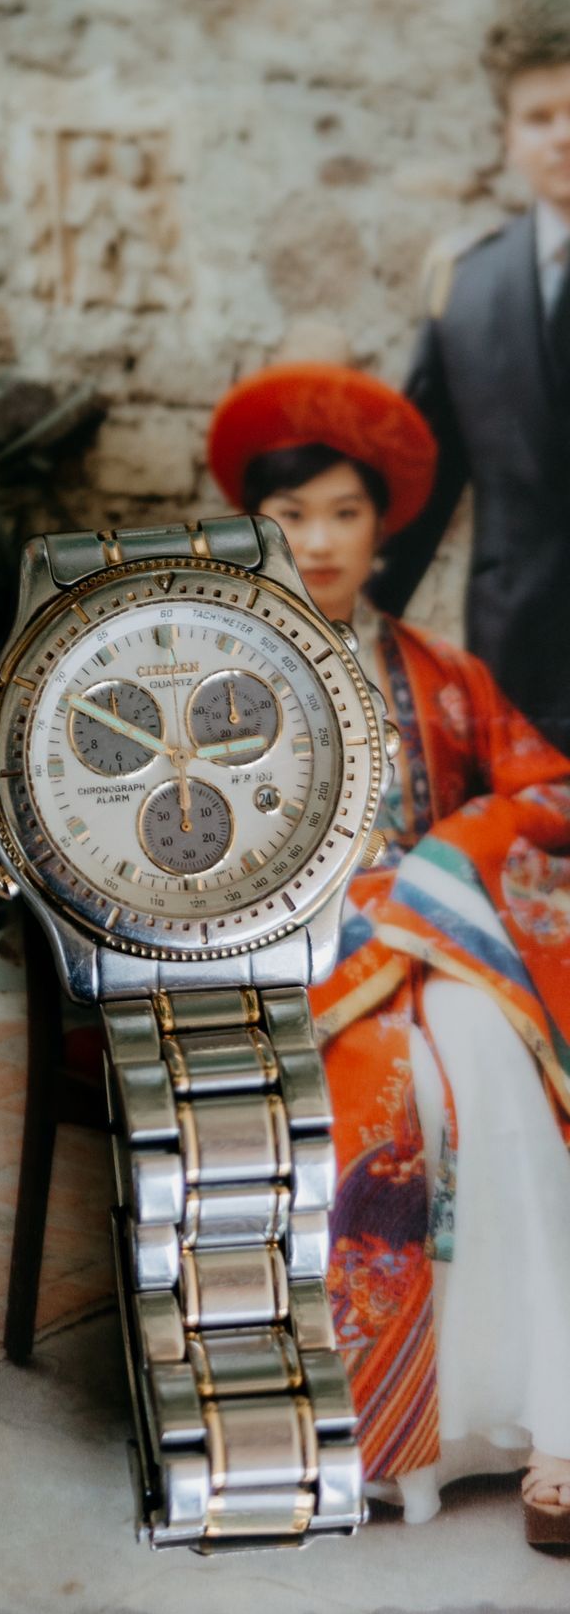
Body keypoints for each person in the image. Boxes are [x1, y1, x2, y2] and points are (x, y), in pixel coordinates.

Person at [209, 362, 570, 1549]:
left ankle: (538, 1418)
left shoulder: (431, 671)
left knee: (502, 1073)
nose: (317, 540)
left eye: (344, 514)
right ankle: (396, 1430)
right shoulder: (209, 674)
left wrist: (453, 853)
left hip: (431, 939)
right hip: (285, 954)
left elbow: (541, 784)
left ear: (380, 531)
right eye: (290, 514)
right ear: (252, 525)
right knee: (397, 1099)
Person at [371, 0, 570, 750]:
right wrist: (353, 635)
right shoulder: (471, 288)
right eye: (539, 118)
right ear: (507, 138)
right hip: (514, 672)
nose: (563, 138)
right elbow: (418, 490)